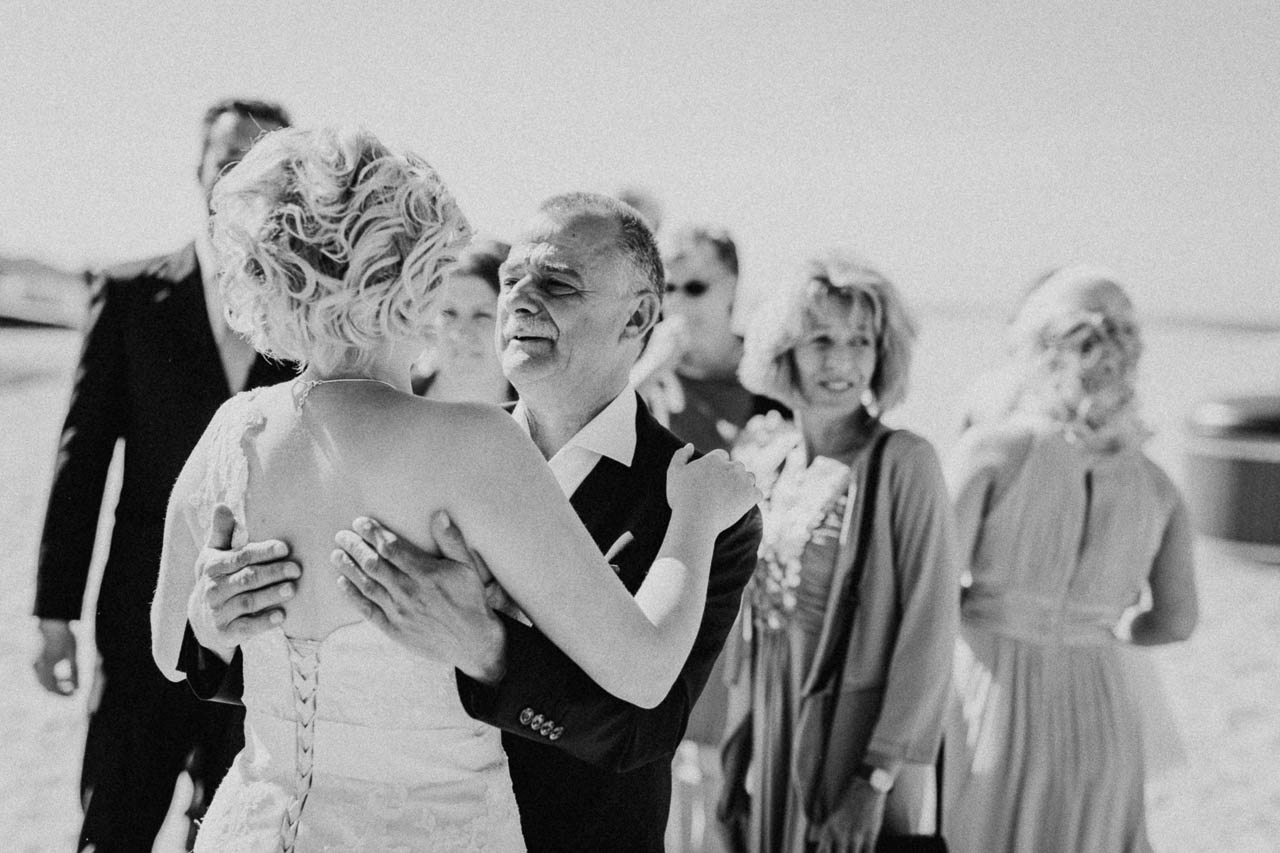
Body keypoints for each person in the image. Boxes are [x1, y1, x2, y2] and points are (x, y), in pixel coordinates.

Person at [148, 134, 761, 853]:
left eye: (555, 283)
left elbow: (168, 650)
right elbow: (648, 665)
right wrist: (694, 517)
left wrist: (207, 619)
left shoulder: (235, 431)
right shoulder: (475, 445)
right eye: (504, 278)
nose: (513, 300)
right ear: (416, 277)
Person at [30, 97, 292, 851]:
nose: (239, 175)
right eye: (225, 160)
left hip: (264, 624)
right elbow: (81, 462)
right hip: (140, 613)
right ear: (199, 173)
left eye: (261, 163)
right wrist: (56, 612)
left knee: (234, 830)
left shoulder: (307, 311)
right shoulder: (128, 294)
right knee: (115, 820)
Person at [941, 266, 1198, 853]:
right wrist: (1096, 624)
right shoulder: (1159, 487)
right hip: (1103, 709)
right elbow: (1177, 621)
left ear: (1035, 350)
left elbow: (929, 588)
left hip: (993, 694)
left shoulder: (991, 452)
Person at [719, 250, 959, 853]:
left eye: (861, 341)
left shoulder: (905, 464)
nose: (842, 361)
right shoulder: (767, 457)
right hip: (767, 734)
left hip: (856, 747)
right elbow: (748, 628)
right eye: (821, 338)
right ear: (784, 349)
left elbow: (930, 631)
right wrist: (734, 757)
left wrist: (873, 779)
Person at [411, 236, 515, 404]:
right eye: (449, 313)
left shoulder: (539, 421)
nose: (462, 332)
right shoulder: (393, 405)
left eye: (482, 315)